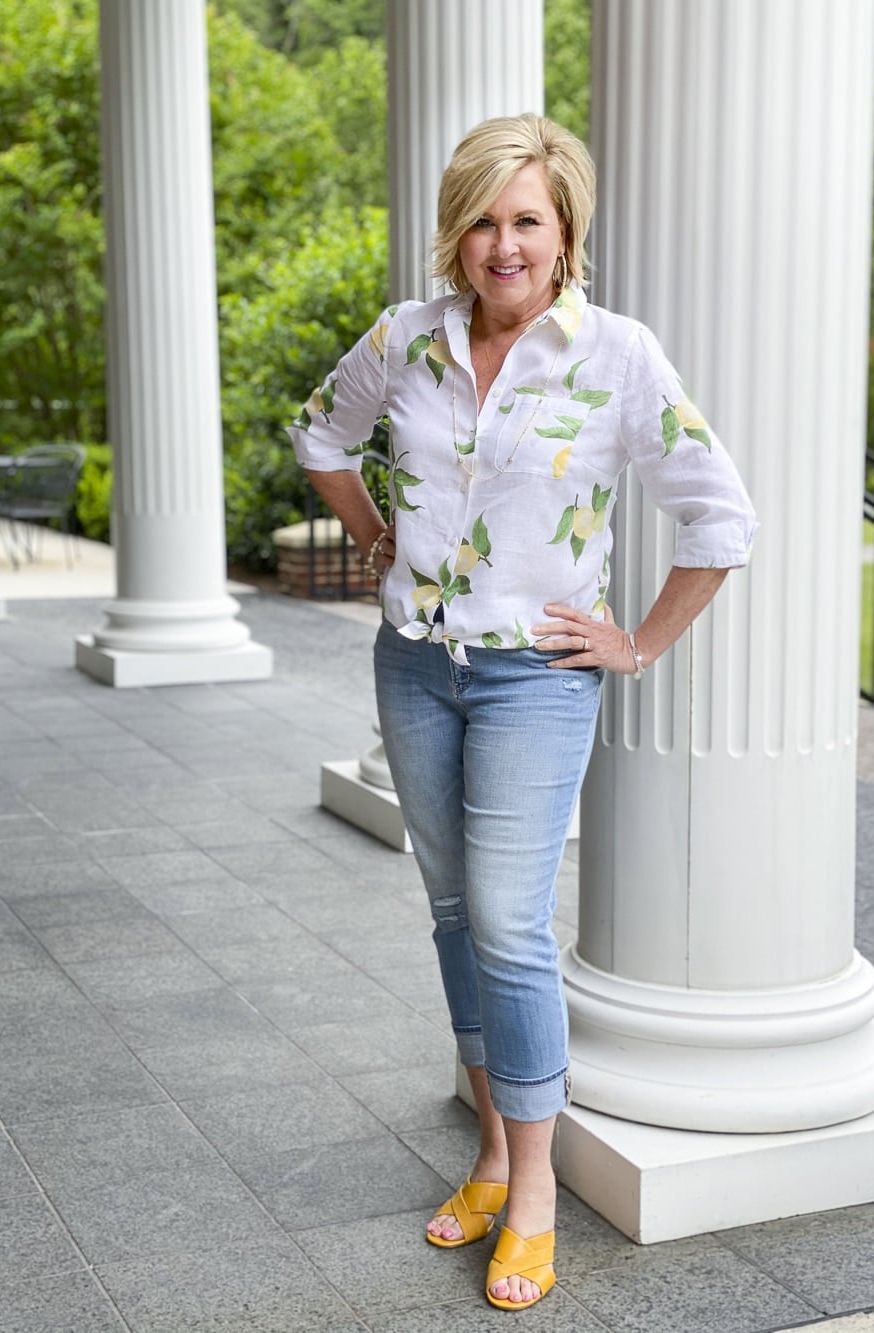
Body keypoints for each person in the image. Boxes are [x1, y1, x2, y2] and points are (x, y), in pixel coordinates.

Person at [288, 113, 756, 1312]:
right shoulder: (407, 336)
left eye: (528, 220)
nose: (505, 244)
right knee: (452, 910)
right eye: (485, 219)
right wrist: (376, 536)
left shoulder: (615, 354)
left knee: (507, 920)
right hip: (413, 664)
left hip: (535, 679)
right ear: (459, 231)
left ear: (565, 233)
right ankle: (491, 1153)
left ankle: (536, 1191)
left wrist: (637, 642)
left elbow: (721, 517)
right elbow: (320, 432)